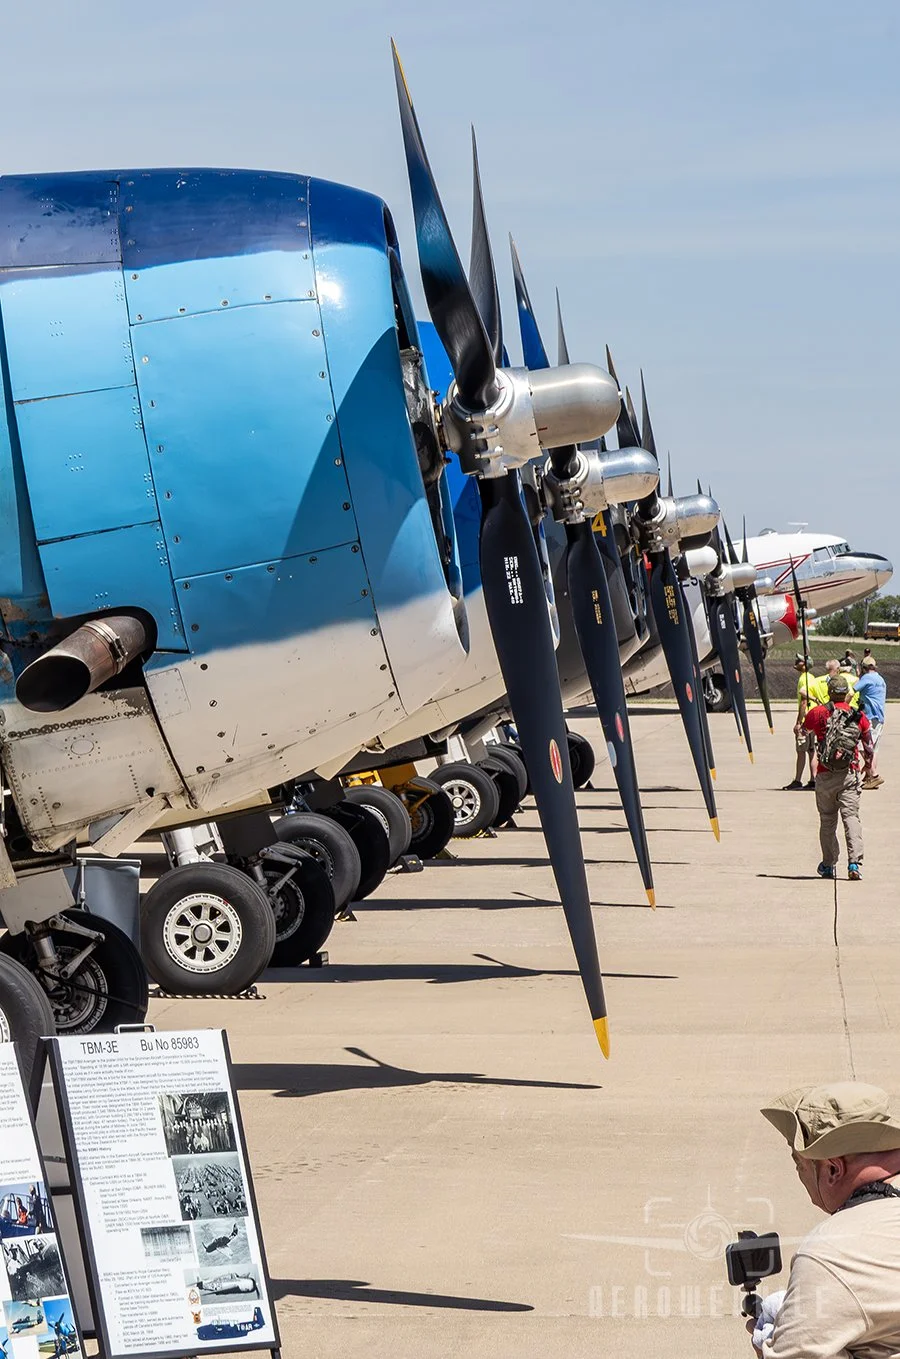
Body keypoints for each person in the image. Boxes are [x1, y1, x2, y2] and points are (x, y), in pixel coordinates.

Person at [753, 1081, 900, 1359]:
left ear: (833, 1170)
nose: (799, 1174)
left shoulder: (831, 1254)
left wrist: (766, 1343)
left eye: (799, 1163)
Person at [804, 673, 874, 880]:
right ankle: (854, 864)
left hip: (825, 774)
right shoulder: (858, 716)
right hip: (849, 774)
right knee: (851, 817)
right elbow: (868, 745)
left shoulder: (818, 712)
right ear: (846, 693)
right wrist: (868, 764)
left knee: (827, 821)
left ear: (829, 692)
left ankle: (828, 864)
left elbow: (805, 729)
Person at [785, 656, 826, 790]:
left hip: (806, 719)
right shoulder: (812, 677)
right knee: (811, 750)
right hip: (814, 718)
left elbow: (804, 702)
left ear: (805, 664)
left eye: (799, 661)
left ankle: (797, 780)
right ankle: (813, 779)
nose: (796, 662)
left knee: (801, 750)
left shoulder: (804, 679)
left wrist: (798, 722)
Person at [855, 656, 886, 790]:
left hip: (869, 717)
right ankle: (869, 776)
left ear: (864, 668)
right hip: (879, 717)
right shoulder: (880, 679)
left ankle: (874, 774)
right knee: (874, 748)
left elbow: (852, 690)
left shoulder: (866, 678)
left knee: (863, 746)